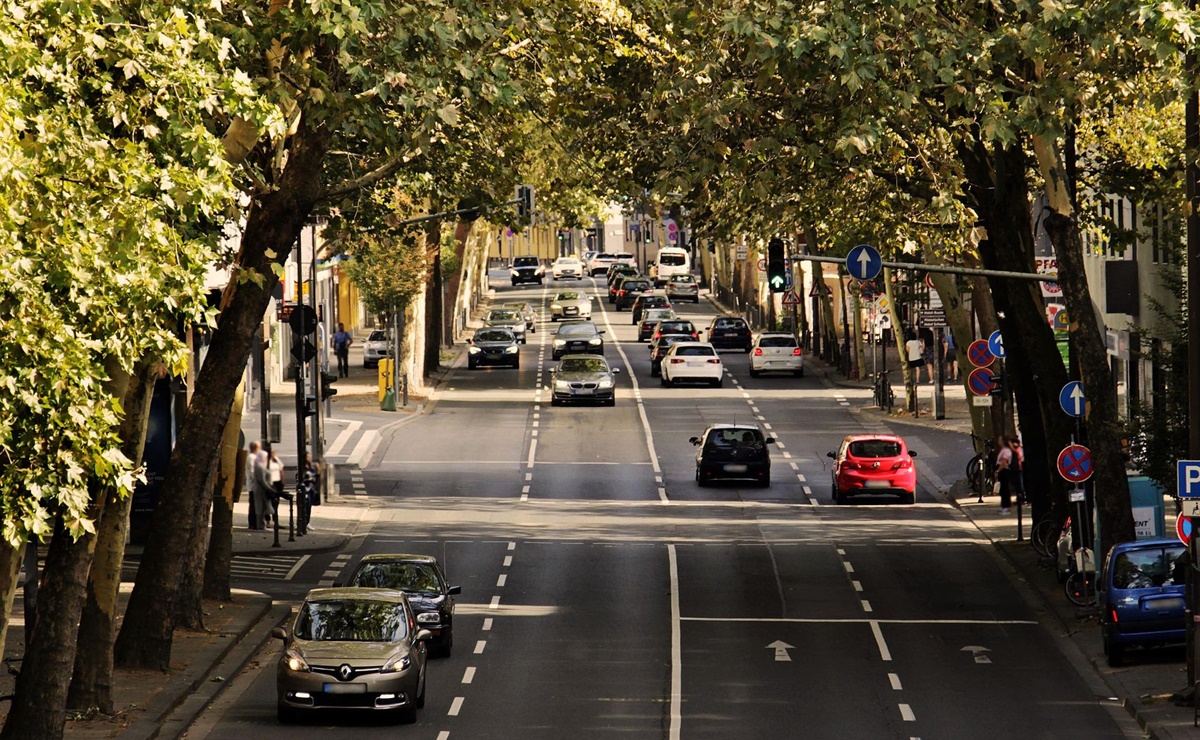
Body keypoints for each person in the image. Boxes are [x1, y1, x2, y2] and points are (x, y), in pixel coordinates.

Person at [250, 442, 273, 529]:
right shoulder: (259, 467)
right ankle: (260, 525)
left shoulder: (262, 465)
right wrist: (269, 488)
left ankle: (261, 524)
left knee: (263, 507)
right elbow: (261, 480)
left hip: (263, 489)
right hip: (260, 489)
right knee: (259, 507)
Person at [995, 434, 1014, 513]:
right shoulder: (1003, 449)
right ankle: (1004, 505)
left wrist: (998, 470)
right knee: (1003, 489)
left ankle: (1006, 506)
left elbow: (1004, 462)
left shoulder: (1006, 450)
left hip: (1004, 471)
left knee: (1005, 489)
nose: (998, 441)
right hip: (1003, 471)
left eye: (1000, 439)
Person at [245, 441, 261, 529]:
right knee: (254, 505)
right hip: (254, 485)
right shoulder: (251, 458)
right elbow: (252, 471)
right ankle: (253, 524)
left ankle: (256, 523)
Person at [1009, 436, 1025, 504]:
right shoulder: (1016, 450)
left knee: (1019, 484)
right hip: (1015, 468)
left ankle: (1021, 497)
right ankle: (1019, 497)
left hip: (1018, 469)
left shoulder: (1018, 450)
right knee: (1017, 484)